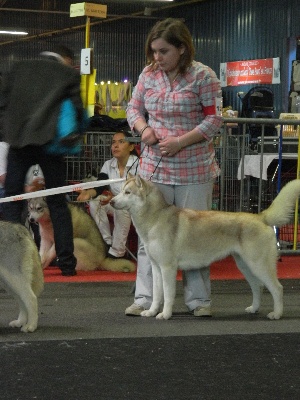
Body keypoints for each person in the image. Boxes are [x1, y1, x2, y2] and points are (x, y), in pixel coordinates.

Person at [125, 18, 223, 316]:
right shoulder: (148, 74)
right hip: (154, 172)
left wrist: (182, 141)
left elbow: (214, 119)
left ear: (182, 48)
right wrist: (143, 130)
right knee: (148, 240)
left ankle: (199, 301)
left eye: (163, 51)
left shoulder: (204, 76)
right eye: (153, 51)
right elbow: (133, 108)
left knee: (196, 236)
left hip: (194, 170)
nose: (157, 57)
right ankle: (145, 298)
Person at [0, 44, 86, 276]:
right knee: (58, 203)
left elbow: (2, 104)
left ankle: (13, 260)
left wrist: (7, 134)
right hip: (51, 145)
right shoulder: (67, 73)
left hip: (19, 144)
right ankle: (67, 263)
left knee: (12, 201)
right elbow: (78, 111)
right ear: (66, 59)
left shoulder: (16, 68)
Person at [77, 130, 139, 259]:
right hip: (117, 203)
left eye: (121, 142)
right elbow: (100, 186)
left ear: (131, 146)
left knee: (121, 207)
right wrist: (89, 193)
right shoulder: (108, 164)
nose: (115, 146)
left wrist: (116, 199)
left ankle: (118, 252)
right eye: (113, 143)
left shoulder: (139, 164)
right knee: (95, 202)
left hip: (137, 208)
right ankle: (107, 243)